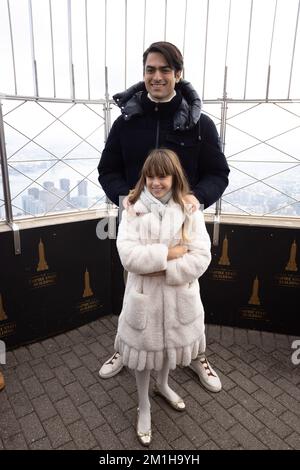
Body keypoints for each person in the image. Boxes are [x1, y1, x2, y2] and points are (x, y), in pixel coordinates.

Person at [98, 41, 230, 393]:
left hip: (181, 232)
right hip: (139, 226)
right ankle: (125, 348)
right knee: (135, 294)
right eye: (150, 70)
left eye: (164, 70)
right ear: (144, 74)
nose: (157, 77)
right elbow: (107, 169)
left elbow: (219, 173)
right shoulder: (126, 123)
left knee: (187, 293)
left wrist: (195, 198)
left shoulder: (200, 124)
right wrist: (123, 197)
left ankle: (196, 352)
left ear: (178, 74)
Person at [115, 148, 212, 445]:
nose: (156, 182)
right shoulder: (131, 208)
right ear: (144, 177)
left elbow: (201, 256)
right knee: (143, 356)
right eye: (151, 176)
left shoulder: (189, 209)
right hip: (143, 300)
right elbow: (128, 256)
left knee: (168, 348)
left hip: (177, 297)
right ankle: (143, 405)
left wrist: (159, 269)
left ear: (174, 177)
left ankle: (164, 385)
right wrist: (168, 254)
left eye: (163, 176)